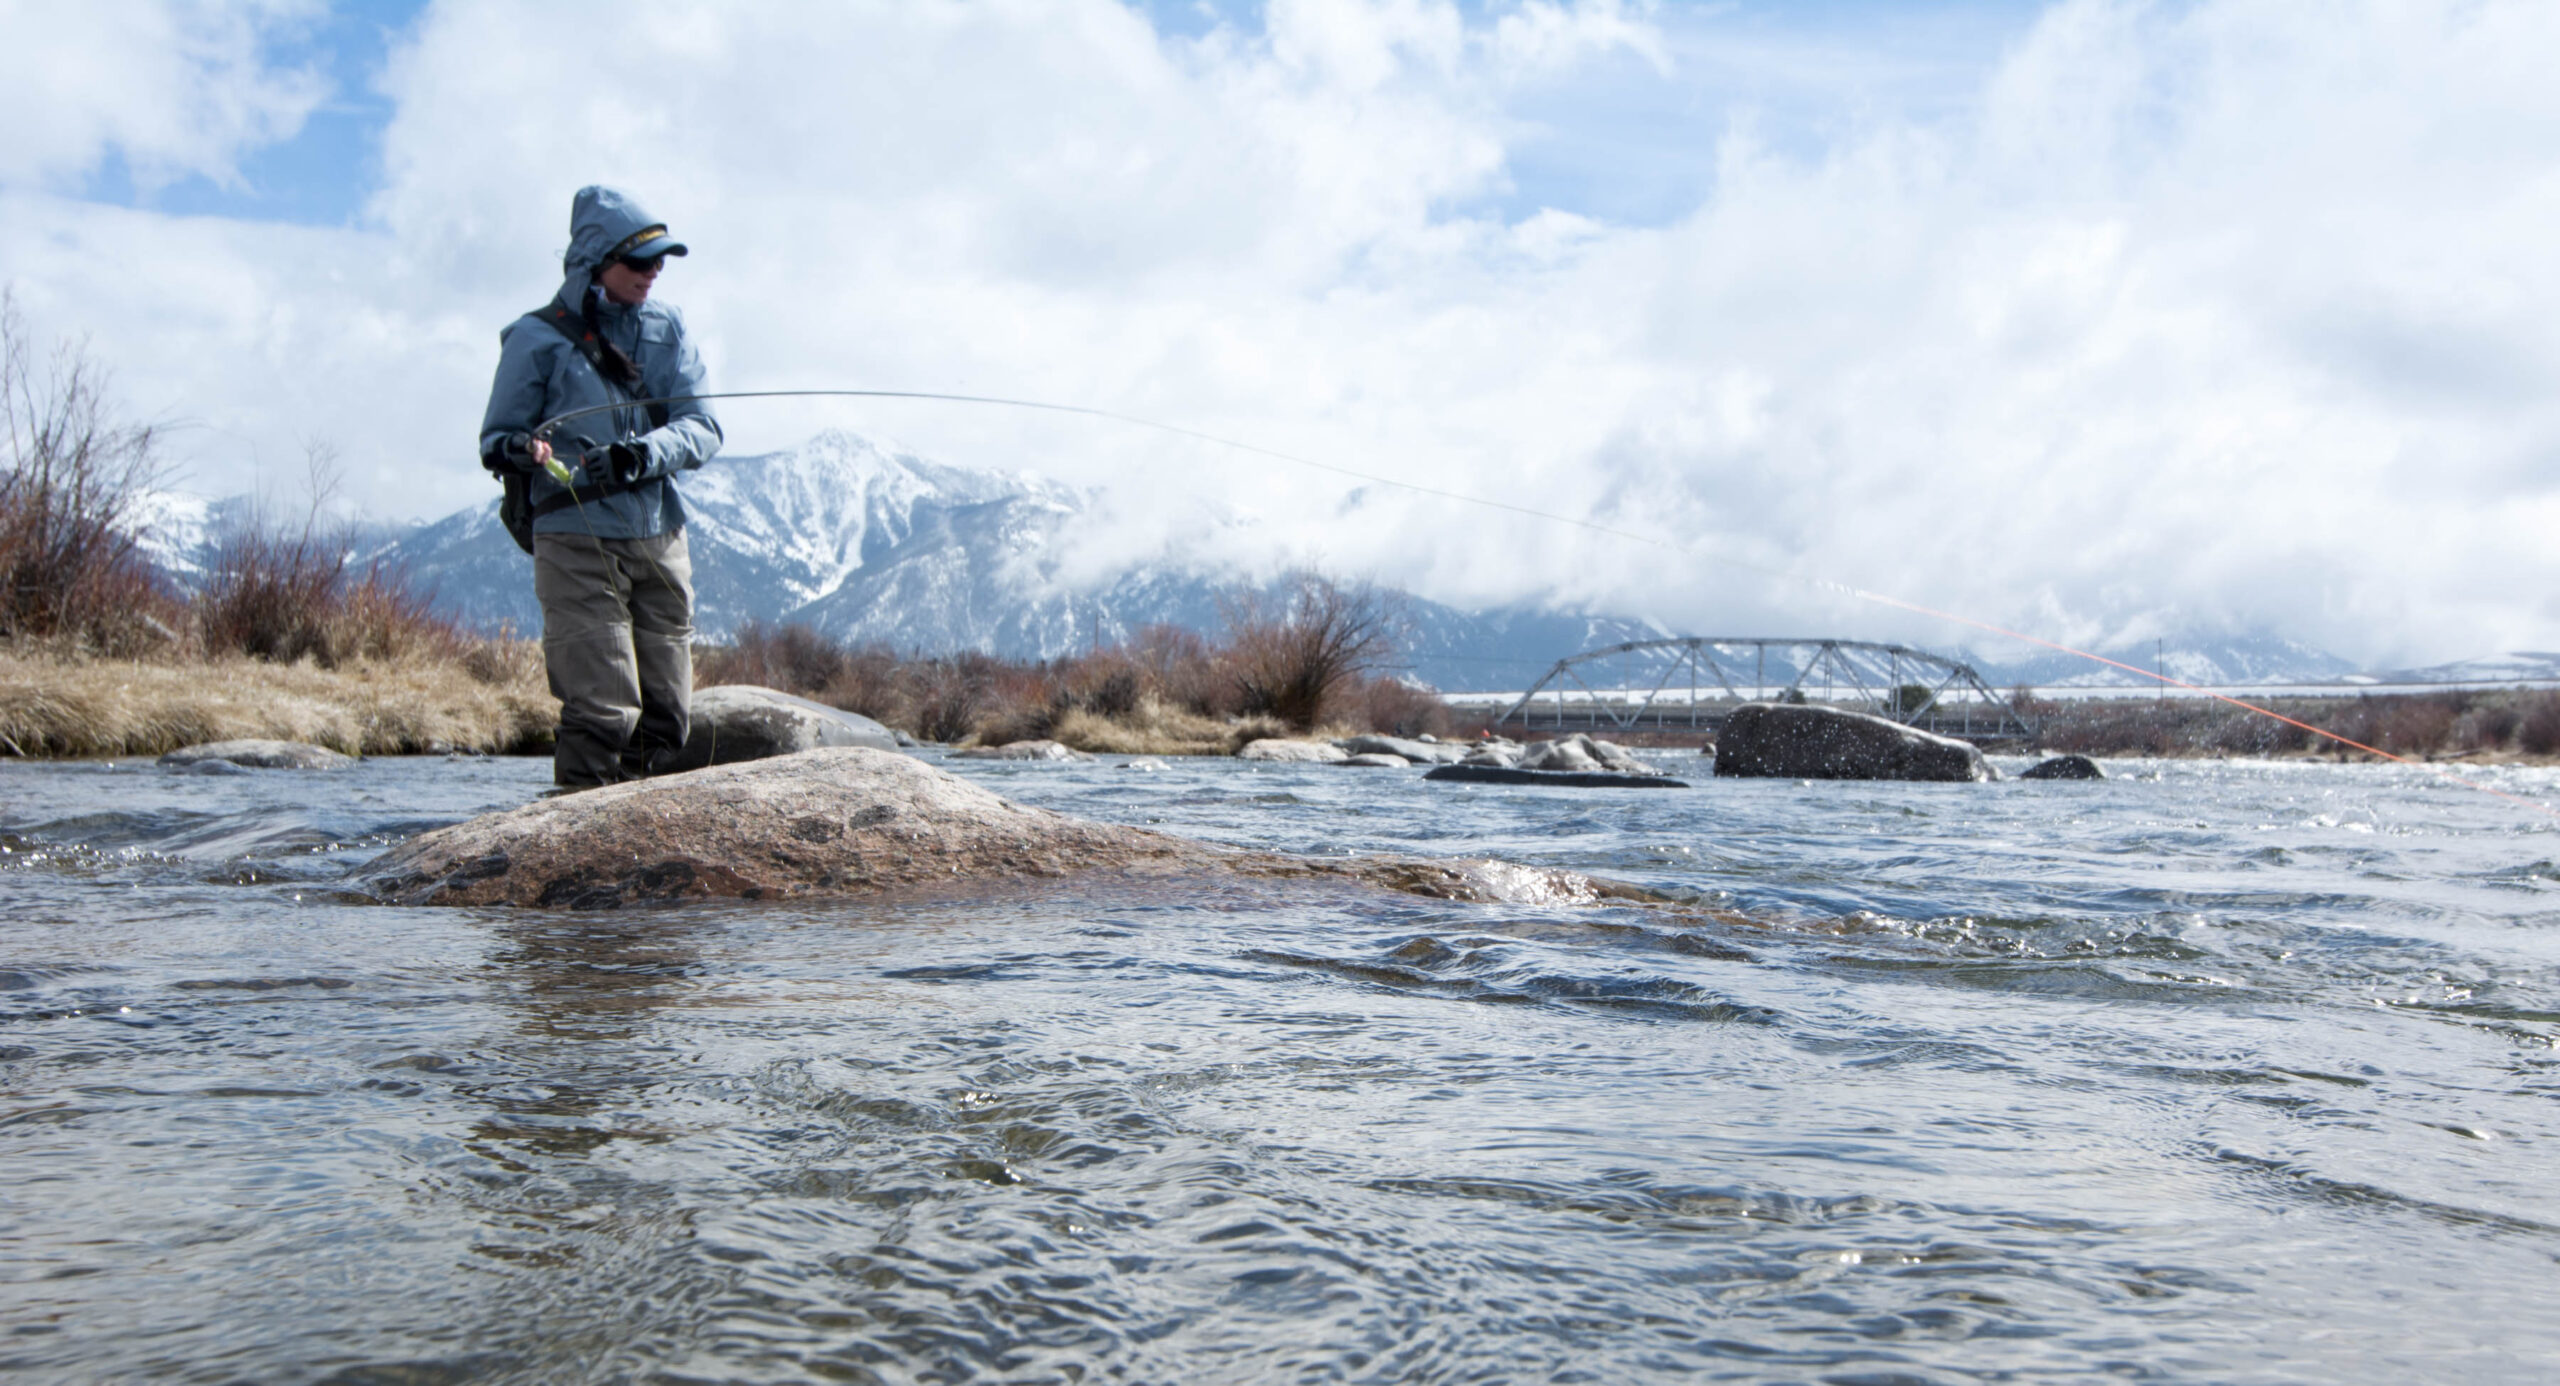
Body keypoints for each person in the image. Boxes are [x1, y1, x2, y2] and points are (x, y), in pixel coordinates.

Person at [480, 186, 722, 788]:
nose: (654, 272)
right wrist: (520, 449)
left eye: (660, 260)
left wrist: (640, 456)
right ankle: (576, 853)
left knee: (668, 716)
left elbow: (703, 427)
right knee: (602, 712)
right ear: (595, 261)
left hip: (661, 536)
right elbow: (497, 437)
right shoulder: (535, 339)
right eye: (640, 262)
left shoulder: (668, 327)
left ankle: (632, 840)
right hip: (574, 538)